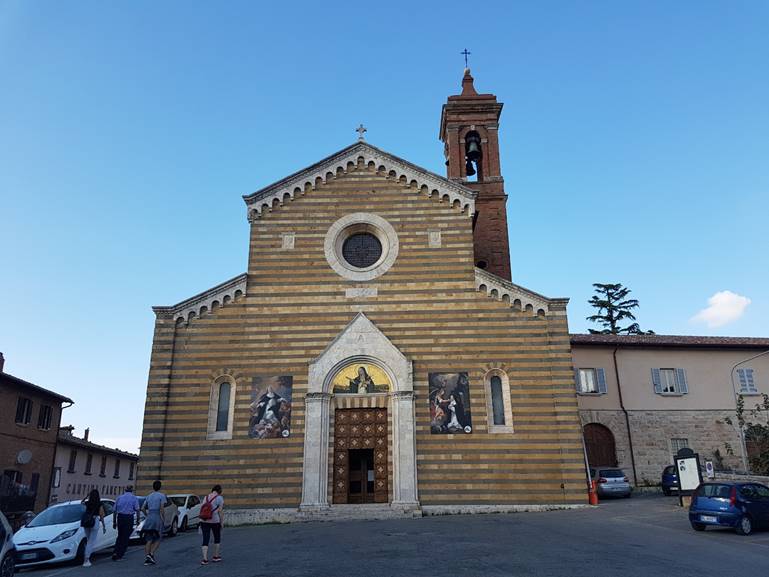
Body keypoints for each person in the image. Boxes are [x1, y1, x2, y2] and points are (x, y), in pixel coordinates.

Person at [140, 480, 167, 565]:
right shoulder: (161, 496)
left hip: (149, 518)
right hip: (157, 517)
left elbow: (142, 508)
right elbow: (162, 509)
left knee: (149, 538)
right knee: (158, 537)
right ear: (160, 487)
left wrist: (147, 515)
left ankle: (148, 556)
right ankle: (151, 554)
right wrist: (163, 519)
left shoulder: (148, 496)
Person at [112, 485, 140, 561]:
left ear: (125, 490)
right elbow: (137, 510)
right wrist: (138, 520)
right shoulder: (134, 498)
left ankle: (115, 552)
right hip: (128, 518)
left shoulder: (119, 498)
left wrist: (114, 522)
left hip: (120, 517)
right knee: (125, 537)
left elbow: (114, 511)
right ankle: (119, 555)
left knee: (120, 535)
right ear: (132, 490)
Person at [199, 485, 224, 565]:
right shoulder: (219, 498)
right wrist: (222, 522)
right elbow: (220, 511)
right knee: (217, 538)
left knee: (205, 539)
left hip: (204, 520)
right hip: (215, 521)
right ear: (219, 491)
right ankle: (215, 556)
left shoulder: (206, 497)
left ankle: (205, 559)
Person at [81, 489, 106, 568]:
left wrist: (87, 496)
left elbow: (81, 502)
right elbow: (101, 515)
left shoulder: (88, 503)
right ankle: (86, 559)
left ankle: (86, 557)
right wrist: (104, 525)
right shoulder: (99, 503)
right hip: (94, 521)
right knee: (91, 542)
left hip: (86, 522)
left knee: (88, 540)